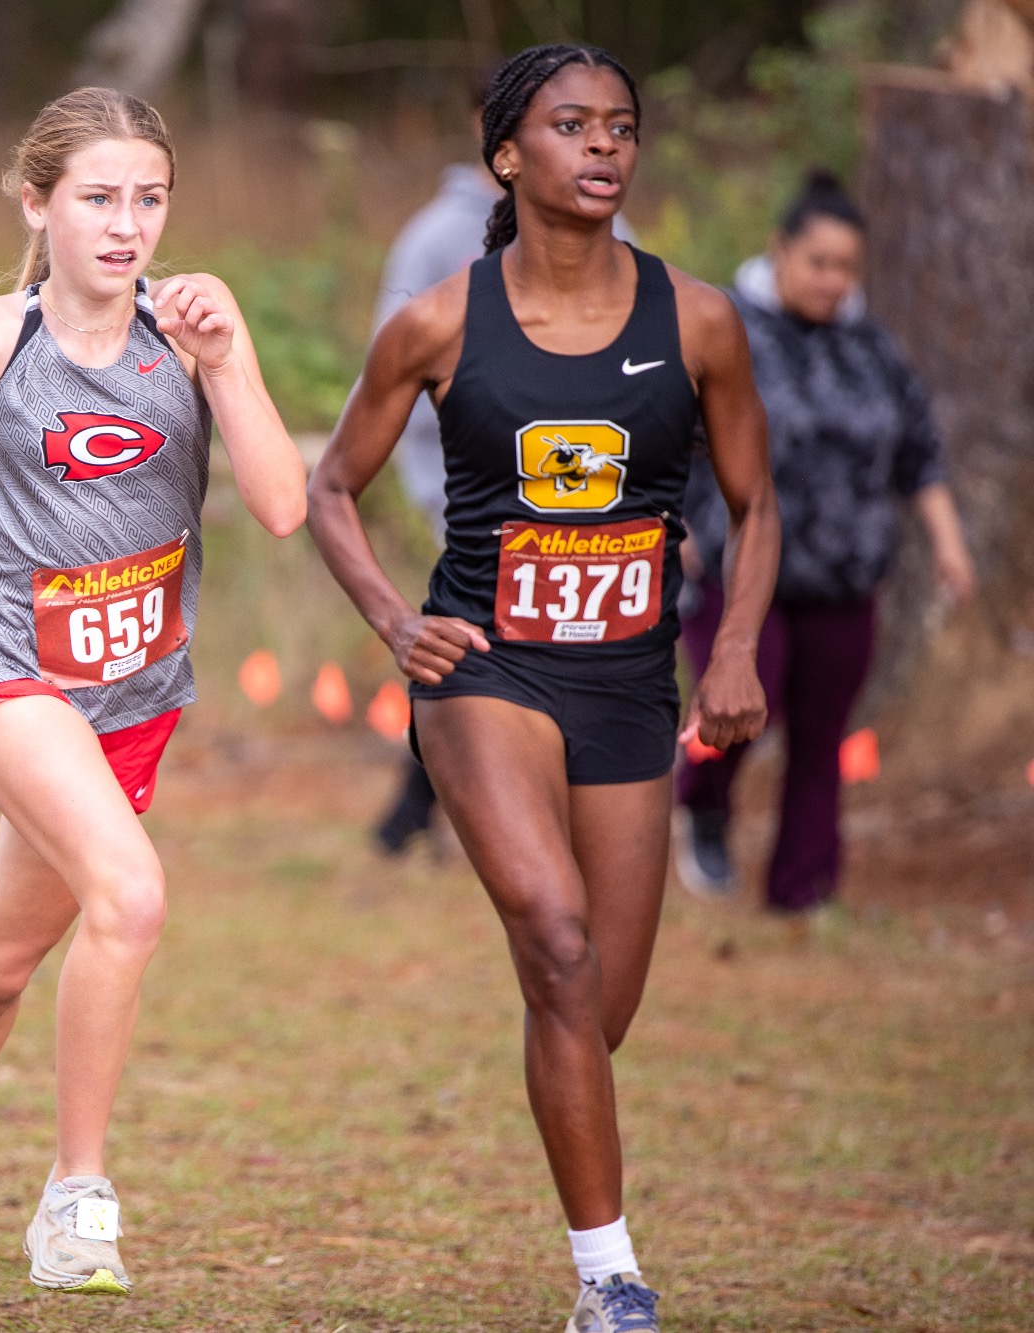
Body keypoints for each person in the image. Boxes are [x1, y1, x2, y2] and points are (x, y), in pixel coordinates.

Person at [306, 46, 780, 1333]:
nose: (602, 148)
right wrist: (394, 619)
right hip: (483, 668)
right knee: (558, 945)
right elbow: (329, 487)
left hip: (630, 685)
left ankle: (564, 1106)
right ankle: (609, 1281)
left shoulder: (695, 322)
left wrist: (732, 645)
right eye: (569, 126)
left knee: (592, 1005)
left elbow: (752, 501)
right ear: (504, 156)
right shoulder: (439, 323)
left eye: (620, 126)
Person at [0, 87, 305, 1321]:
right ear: (37, 202)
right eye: (98, 197)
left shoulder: (186, 333)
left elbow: (284, 504)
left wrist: (227, 353)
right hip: (6, 676)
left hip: (133, 698)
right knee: (130, 893)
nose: (125, 224)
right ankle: (75, 1191)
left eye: (149, 199)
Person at [672, 170, 972, 909]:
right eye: (819, 263)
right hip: (742, 569)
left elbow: (919, 453)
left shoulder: (872, 348)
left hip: (847, 572)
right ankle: (702, 807)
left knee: (821, 733)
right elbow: (671, 434)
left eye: (847, 268)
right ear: (780, 250)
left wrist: (947, 542)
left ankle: (802, 888)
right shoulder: (726, 327)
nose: (833, 281)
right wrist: (672, 522)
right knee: (742, 701)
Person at [371, 70, 635, 855]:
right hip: (465, 481)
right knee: (486, 634)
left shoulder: (602, 220)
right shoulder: (435, 236)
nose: (587, 141)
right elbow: (390, 369)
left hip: (586, 488)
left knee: (526, 642)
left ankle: (442, 808)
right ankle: (431, 805)